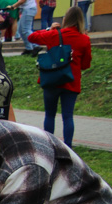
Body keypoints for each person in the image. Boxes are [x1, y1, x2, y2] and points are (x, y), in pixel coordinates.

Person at [28, 7, 92, 149]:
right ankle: (68, 147)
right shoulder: (84, 39)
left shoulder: (54, 35)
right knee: (67, 117)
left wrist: (49, 29)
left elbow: (31, 37)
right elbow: (86, 64)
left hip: (52, 80)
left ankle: (48, 145)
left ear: (65, 19)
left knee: (50, 115)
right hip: (71, 82)